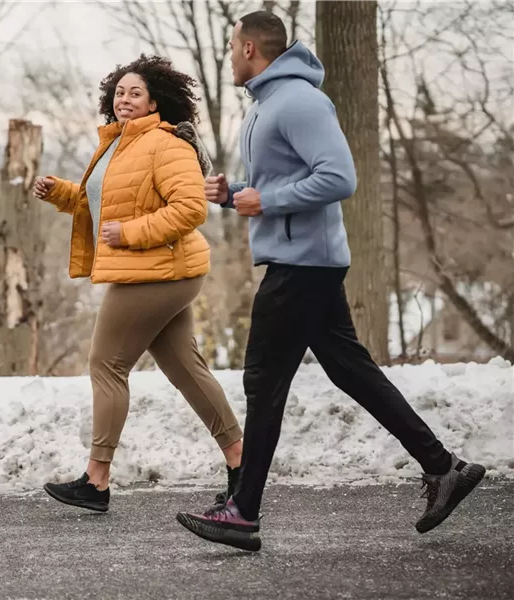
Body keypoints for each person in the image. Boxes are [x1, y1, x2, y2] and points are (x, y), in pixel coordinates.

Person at [176, 11, 486, 551]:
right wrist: (237, 194)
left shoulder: (299, 101)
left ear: (250, 48)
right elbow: (285, 180)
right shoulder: (268, 104)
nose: (227, 56)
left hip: (304, 264)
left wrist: (266, 200)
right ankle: (444, 468)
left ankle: (243, 512)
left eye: (231, 47)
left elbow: (339, 176)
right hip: (298, 259)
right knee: (350, 370)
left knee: (263, 383)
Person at [34, 55, 244, 513]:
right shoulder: (117, 146)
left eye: (136, 93)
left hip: (154, 272)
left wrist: (128, 234)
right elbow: (105, 206)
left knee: (106, 365)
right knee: (185, 368)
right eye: (120, 92)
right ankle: (241, 464)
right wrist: (60, 193)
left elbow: (191, 209)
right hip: (158, 271)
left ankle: (96, 481)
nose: (124, 99)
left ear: (156, 102)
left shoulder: (166, 145)